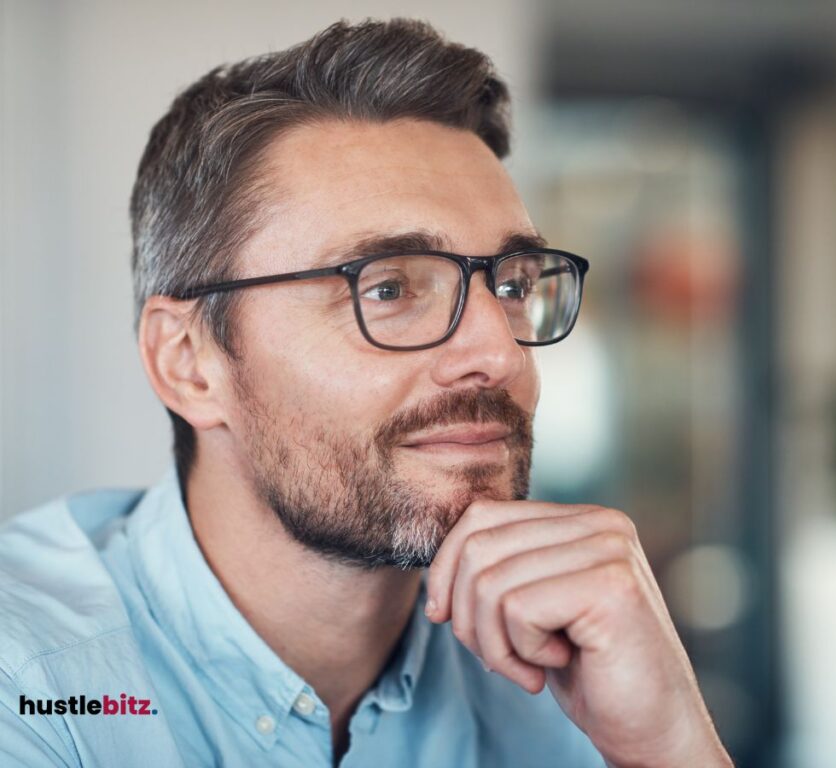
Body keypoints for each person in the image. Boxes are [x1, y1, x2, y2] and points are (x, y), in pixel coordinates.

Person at [0, 17, 731, 768]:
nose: (497, 353)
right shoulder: (33, 686)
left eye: (511, 286)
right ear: (189, 361)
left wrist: (670, 748)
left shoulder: (572, 669)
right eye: (388, 288)